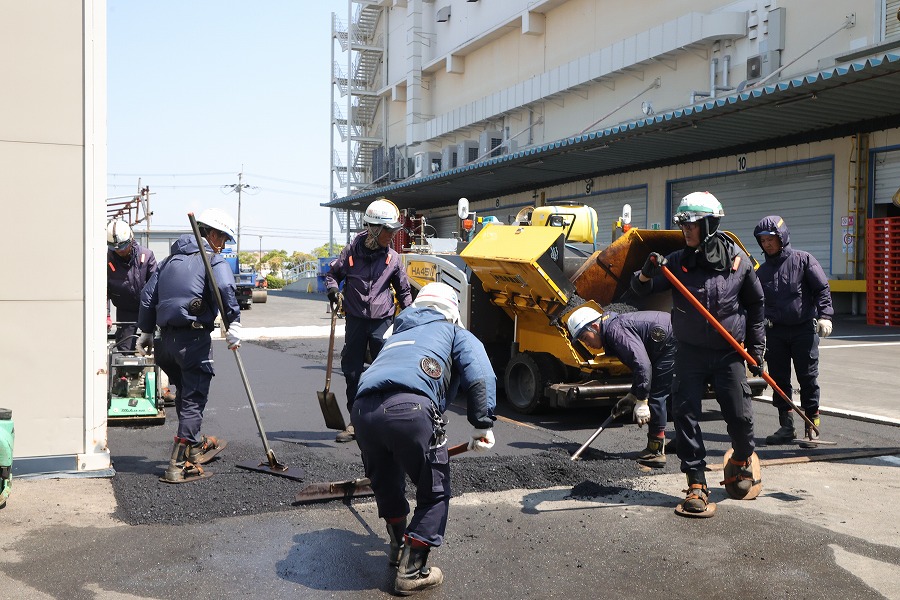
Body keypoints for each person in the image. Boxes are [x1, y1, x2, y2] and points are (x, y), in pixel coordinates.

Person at [350, 282, 496, 595]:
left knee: (386, 482)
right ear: (453, 311)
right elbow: (481, 374)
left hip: (362, 412)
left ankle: (397, 545)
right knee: (433, 491)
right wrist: (482, 424)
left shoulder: (395, 334)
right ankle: (412, 570)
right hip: (412, 409)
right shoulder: (454, 332)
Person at [630, 191, 765, 516]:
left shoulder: (738, 263)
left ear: (710, 224)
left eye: (692, 224)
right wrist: (647, 271)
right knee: (686, 416)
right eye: (683, 224)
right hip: (688, 353)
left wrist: (757, 348)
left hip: (727, 354)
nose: (686, 230)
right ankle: (696, 484)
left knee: (741, 418)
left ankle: (742, 457)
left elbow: (756, 305)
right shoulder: (676, 263)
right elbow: (641, 289)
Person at [137, 208, 242, 484]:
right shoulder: (212, 259)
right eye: (223, 240)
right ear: (213, 234)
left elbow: (148, 296)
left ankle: (194, 446)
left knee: (185, 393)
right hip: (193, 340)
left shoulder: (169, 260)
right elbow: (226, 289)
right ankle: (177, 464)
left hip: (166, 343)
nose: (223, 246)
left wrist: (146, 332)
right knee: (194, 399)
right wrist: (234, 324)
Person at [324, 198, 413, 443]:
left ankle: (384, 422)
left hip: (382, 323)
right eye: (388, 230)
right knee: (352, 372)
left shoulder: (393, 259)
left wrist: (412, 319)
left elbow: (404, 293)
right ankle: (355, 423)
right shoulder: (350, 253)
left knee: (384, 373)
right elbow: (331, 275)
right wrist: (333, 290)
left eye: (394, 231)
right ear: (374, 228)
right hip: (355, 321)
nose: (392, 236)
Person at [754, 215, 833, 448]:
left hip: (803, 331)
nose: (767, 244)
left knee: (808, 377)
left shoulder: (804, 260)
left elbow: (822, 289)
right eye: (762, 240)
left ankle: (812, 426)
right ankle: (786, 426)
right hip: (775, 332)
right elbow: (755, 304)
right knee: (779, 380)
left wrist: (826, 316)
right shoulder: (762, 272)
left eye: (771, 238)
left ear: (782, 237)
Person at [566, 306, 676, 467]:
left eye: (585, 337)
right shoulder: (613, 327)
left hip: (671, 342)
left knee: (656, 396)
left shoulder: (615, 332)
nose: (587, 343)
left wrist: (642, 400)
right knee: (676, 394)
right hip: (669, 339)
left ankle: (655, 452)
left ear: (595, 327)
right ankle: (683, 442)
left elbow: (643, 365)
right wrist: (632, 396)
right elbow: (642, 367)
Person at [106, 219, 157, 352]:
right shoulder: (106, 261)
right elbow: (102, 292)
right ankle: (126, 373)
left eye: (123, 246)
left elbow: (156, 288)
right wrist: (106, 315)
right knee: (125, 351)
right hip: (125, 312)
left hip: (148, 310)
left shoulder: (146, 256)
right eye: (115, 248)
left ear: (131, 238)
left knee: (153, 349)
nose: (119, 251)